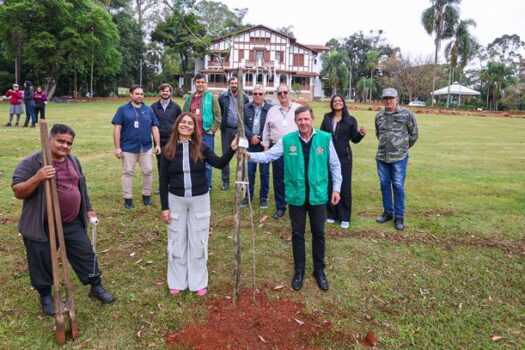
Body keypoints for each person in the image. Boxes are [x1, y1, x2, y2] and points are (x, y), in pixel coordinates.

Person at [11, 124, 115, 316]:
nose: (65, 146)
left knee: (85, 253)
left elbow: (81, 187)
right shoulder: (32, 163)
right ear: (49, 139)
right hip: (42, 225)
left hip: (72, 221)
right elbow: (18, 191)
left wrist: (88, 209)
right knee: (41, 260)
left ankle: (95, 286)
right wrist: (38, 177)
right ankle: (46, 296)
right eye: (60, 141)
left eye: (69, 143)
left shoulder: (73, 161)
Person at [249, 106, 342, 292]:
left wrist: (337, 189)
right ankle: (299, 270)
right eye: (299, 119)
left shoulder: (324, 139)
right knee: (298, 234)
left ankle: (319, 271)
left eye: (306, 119)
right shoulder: (288, 140)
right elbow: (268, 156)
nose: (303, 122)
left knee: (319, 234)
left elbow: (335, 165)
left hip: (318, 196)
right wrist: (248, 155)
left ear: (312, 119)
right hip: (297, 196)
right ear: (295, 121)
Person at [159, 113, 237, 296]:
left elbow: (219, 163)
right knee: (177, 240)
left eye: (190, 124)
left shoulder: (201, 147)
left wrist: (232, 149)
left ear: (194, 128)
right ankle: (177, 280)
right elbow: (163, 180)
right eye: (183, 122)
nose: (186, 125)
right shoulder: (167, 150)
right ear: (177, 125)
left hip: (199, 200)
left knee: (199, 241)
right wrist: (164, 207)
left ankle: (198, 281)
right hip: (176, 199)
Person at [375, 88, 418, 231]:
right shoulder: (379, 115)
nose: (388, 100)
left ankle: (399, 216)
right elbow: (378, 134)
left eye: (391, 98)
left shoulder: (406, 114)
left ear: (397, 99)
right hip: (382, 157)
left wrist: (403, 147)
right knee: (384, 185)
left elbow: (414, 134)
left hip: (399, 158)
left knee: (398, 186)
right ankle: (388, 212)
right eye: (385, 98)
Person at [320, 95, 366, 229]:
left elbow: (354, 139)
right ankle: (331, 214)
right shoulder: (327, 118)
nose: (337, 103)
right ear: (332, 104)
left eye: (339, 101)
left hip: (344, 157)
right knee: (330, 184)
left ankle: (344, 216)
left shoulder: (350, 120)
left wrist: (361, 134)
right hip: (329, 157)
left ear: (343, 103)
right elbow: (322, 136)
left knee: (344, 186)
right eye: (334, 101)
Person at [112, 85, 161, 209]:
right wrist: (117, 147)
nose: (140, 96)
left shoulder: (148, 110)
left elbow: (154, 127)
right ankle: (128, 199)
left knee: (148, 171)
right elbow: (117, 128)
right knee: (128, 172)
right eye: (137, 94)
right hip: (128, 147)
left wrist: (158, 144)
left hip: (146, 147)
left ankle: (146, 196)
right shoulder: (122, 109)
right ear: (131, 95)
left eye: (141, 94)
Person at [261, 84, 301, 219]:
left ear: (289, 93)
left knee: (295, 176)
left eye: (285, 92)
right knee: (279, 178)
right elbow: (266, 130)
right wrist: (266, 147)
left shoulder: (297, 108)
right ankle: (280, 206)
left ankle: (295, 204)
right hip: (276, 147)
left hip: (294, 148)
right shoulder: (272, 110)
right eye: (280, 93)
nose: (283, 95)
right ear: (277, 95)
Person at [183, 74, 221, 191]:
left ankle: (207, 186)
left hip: (206, 135)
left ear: (206, 84)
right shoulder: (190, 98)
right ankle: (195, 185)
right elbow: (184, 114)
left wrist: (212, 130)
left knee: (208, 163)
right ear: (195, 84)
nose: (200, 84)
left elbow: (218, 116)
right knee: (193, 161)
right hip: (192, 135)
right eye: (198, 82)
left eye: (202, 82)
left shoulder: (211, 97)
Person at [241, 84, 272, 208]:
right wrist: (251, 137)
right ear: (251, 95)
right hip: (249, 144)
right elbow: (241, 124)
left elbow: (270, 125)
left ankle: (264, 197)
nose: (258, 96)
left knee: (264, 173)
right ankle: (248, 196)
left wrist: (258, 137)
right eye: (255, 94)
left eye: (260, 94)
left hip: (264, 145)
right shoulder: (245, 107)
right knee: (249, 171)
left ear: (264, 95)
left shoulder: (270, 109)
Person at [218, 76, 249, 190]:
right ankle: (225, 181)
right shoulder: (223, 98)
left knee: (242, 154)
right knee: (226, 155)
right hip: (227, 130)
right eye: (232, 83)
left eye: (236, 83)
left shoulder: (244, 98)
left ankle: (241, 181)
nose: (234, 85)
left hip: (240, 130)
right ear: (229, 84)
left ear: (239, 84)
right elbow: (220, 112)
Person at [150, 83, 182, 193]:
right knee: (161, 163)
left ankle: (172, 185)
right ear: (159, 92)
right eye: (163, 91)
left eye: (167, 91)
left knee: (173, 162)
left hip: (172, 139)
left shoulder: (176, 107)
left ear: (170, 92)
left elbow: (180, 124)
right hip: (158, 140)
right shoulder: (153, 107)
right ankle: (162, 186)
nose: (165, 93)